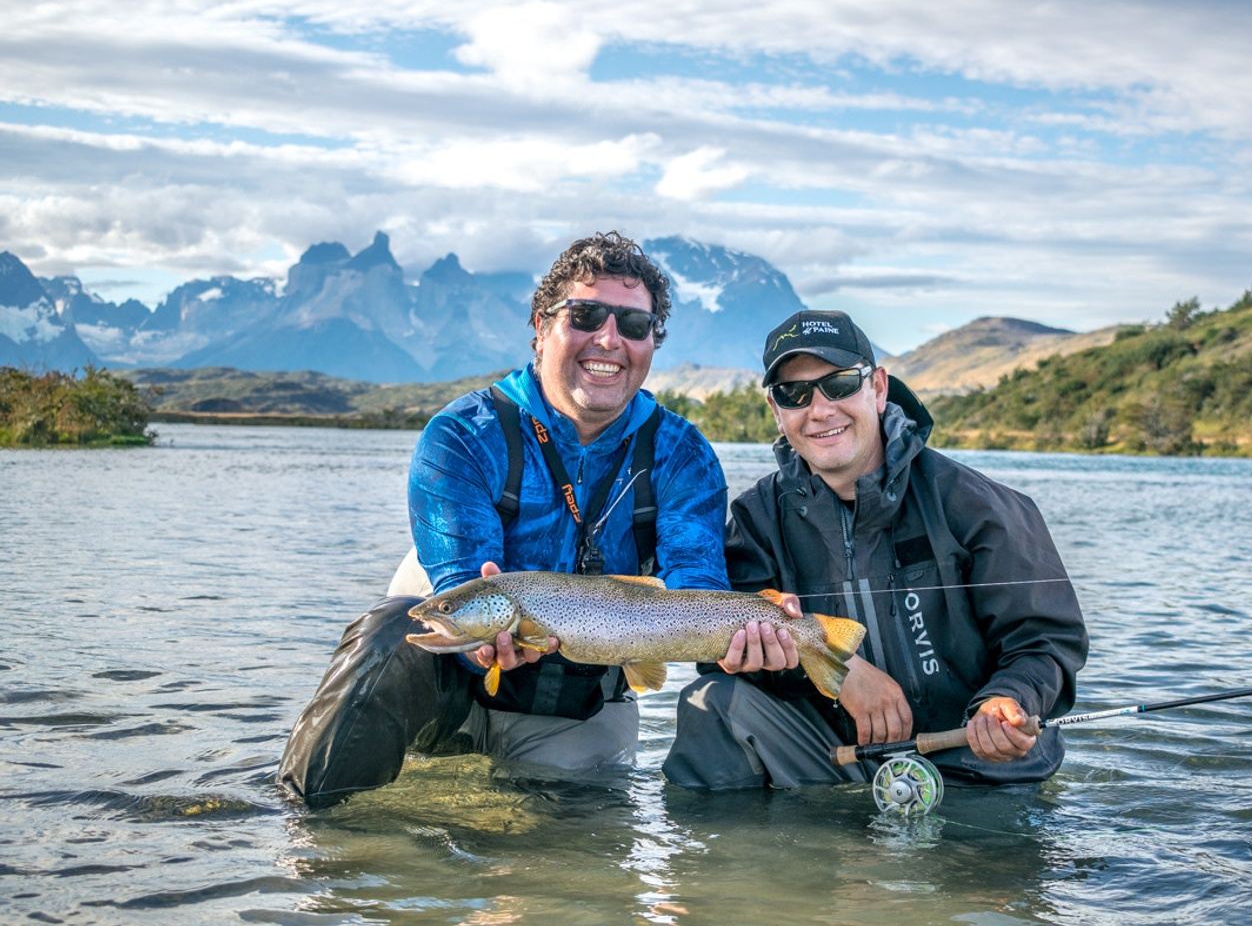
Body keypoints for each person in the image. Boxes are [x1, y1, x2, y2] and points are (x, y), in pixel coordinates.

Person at [279, 232, 733, 808]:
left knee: (572, 880)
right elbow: (457, 590)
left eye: (633, 325)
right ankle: (302, 835)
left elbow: (699, 590)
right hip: (450, 691)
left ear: (651, 344)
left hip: (580, 706)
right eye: (586, 315)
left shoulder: (683, 455)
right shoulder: (463, 435)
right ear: (541, 328)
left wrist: (753, 636)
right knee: (390, 630)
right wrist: (481, 647)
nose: (609, 339)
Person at [663, 309, 1089, 790]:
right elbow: (718, 650)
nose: (820, 409)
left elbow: (1047, 643)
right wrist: (838, 673)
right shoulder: (755, 519)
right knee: (712, 700)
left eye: (839, 384)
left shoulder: (979, 505)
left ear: (879, 388)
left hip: (980, 765)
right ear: (776, 412)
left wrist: (1008, 700)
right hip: (837, 760)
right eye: (794, 394)